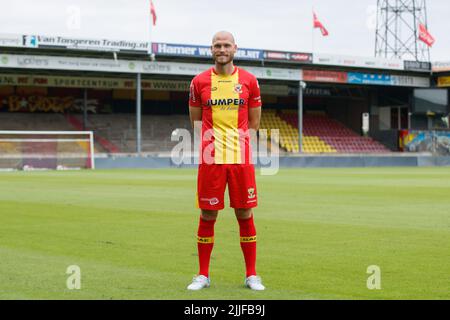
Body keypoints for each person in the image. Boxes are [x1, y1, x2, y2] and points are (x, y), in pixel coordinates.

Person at [187, 31, 265, 291]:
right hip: (211, 160)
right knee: (208, 213)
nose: (222, 49)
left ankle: (251, 275)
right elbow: (196, 122)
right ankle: (202, 275)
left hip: (240, 160)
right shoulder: (199, 82)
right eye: (217, 45)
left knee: (244, 212)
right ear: (211, 49)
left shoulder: (249, 81)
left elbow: (254, 122)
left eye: (226, 45)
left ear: (235, 48)